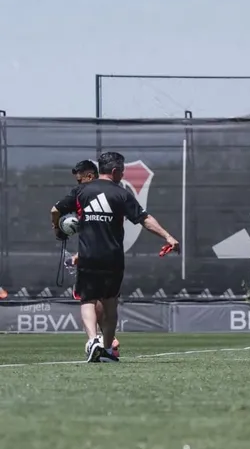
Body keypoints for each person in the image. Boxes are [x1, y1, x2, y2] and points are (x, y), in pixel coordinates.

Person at [51, 152, 178, 363]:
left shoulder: (81, 191)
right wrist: (168, 236)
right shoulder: (121, 194)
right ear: (116, 171)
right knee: (110, 305)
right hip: (113, 258)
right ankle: (108, 349)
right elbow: (144, 219)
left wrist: (58, 229)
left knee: (87, 300)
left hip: (87, 256)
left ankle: (93, 340)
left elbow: (55, 210)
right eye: (122, 172)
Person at [66, 159, 121, 358]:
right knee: (100, 300)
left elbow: (55, 210)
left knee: (93, 300)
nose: (78, 184)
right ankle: (103, 342)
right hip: (103, 256)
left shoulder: (88, 194)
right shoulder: (89, 195)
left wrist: (58, 227)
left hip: (97, 256)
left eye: (80, 180)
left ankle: (99, 341)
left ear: (90, 176)